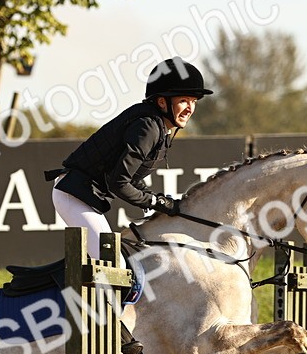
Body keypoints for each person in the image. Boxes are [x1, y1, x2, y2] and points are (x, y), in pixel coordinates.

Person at [46, 56, 213, 262]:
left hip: (82, 194)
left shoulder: (157, 126)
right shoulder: (148, 127)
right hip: (73, 194)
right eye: (183, 101)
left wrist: (160, 201)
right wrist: (156, 202)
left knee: (112, 263)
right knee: (112, 264)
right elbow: (119, 183)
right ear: (162, 102)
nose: (190, 108)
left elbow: (130, 179)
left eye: (193, 101)